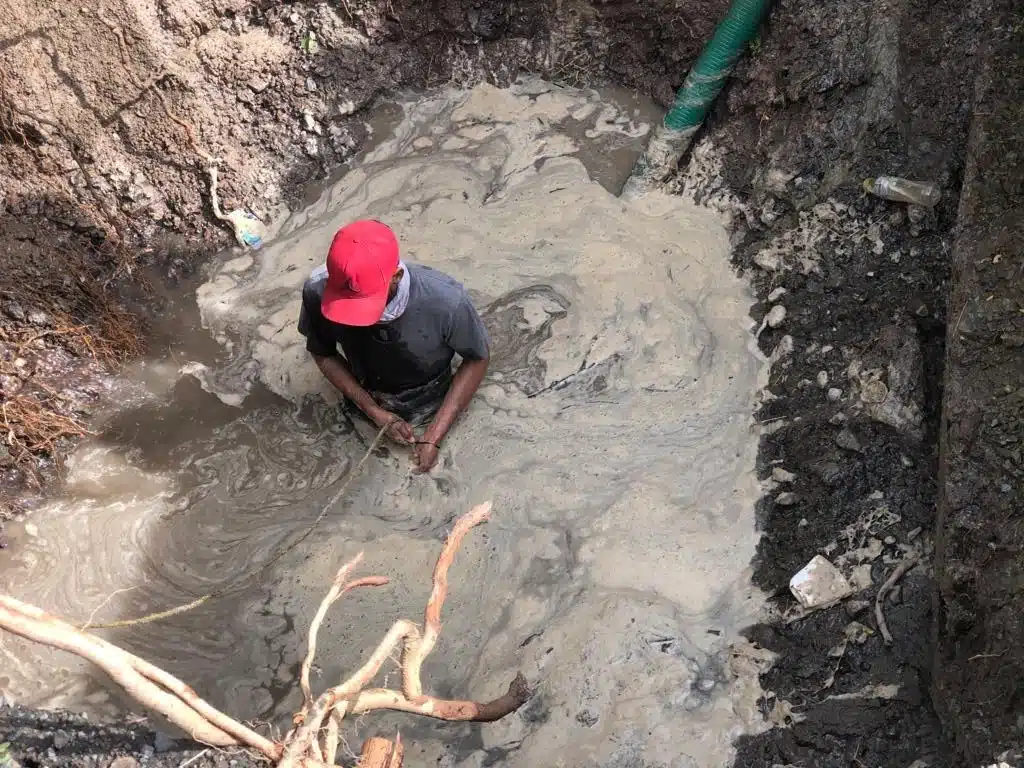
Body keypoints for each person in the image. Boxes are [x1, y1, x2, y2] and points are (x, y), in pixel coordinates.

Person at [297, 219, 490, 472]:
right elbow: (323, 353)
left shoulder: (447, 302)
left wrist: (433, 437)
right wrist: (372, 410)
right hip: (367, 391)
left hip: (432, 392)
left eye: (364, 305)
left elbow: (477, 358)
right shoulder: (317, 291)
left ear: (396, 276)